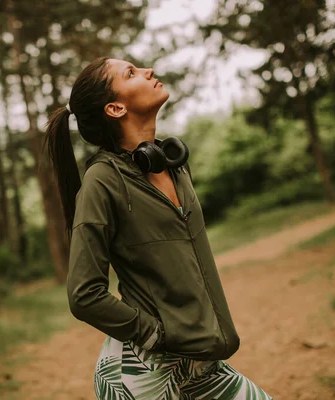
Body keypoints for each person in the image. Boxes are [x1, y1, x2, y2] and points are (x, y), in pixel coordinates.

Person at [44, 57, 272, 400]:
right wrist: (154, 334)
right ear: (116, 108)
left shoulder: (173, 164)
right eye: (131, 73)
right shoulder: (102, 181)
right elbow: (84, 294)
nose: (148, 71)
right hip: (141, 374)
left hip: (200, 363)